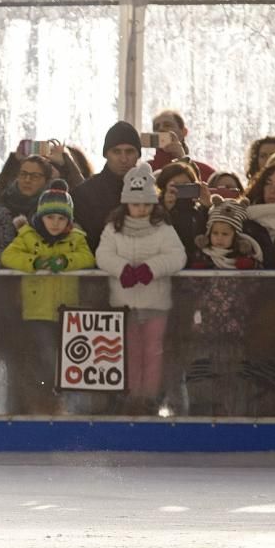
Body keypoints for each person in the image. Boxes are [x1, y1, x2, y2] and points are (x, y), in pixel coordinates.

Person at [95, 162, 187, 415]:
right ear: (126, 204)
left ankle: (149, 398)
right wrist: (122, 269)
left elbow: (177, 256)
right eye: (136, 204)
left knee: (153, 352)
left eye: (147, 204)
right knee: (130, 352)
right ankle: (132, 396)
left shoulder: (163, 229)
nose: (142, 210)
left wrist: (151, 269)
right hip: (123, 304)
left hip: (155, 303)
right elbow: (103, 255)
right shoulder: (113, 229)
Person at [0, 179, 95, 412]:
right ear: (41, 217)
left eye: (61, 218)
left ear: (68, 221)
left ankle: (60, 400)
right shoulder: (27, 237)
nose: (55, 223)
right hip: (37, 310)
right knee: (45, 356)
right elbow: (8, 257)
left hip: (66, 311)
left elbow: (88, 258)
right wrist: (34, 262)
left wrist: (65, 261)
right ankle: (44, 398)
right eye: (51, 217)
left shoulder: (77, 239)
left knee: (64, 357)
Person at [184, 197, 263, 416]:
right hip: (205, 327)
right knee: (205, 370)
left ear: (235, 237)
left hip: (233, 327)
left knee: (231, 370)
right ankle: (205, 408)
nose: (219, 239)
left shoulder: (243, 259)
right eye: (215, 233)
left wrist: (250, 268)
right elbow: (191, 288)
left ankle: (231, 410)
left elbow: (255, 287)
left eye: (225, 234)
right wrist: (197, 272)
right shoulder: (203, 257)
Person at [72, 121, 141, 252]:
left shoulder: (153, 192)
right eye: (117, 152)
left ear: (138, 154)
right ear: (106, 154)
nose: (124, 159)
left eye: (129, 151)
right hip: (97, 265)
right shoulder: (83, 193)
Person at [155, 160, 208, 262]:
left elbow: (212, 233)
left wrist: (207, 207)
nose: (180, 190)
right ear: (164, 187)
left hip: (197, 263)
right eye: (176, 186)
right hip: (166, 262)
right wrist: (165, 209)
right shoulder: (154, 209)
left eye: (185, 185)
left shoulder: (199, 210)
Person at [148, 110, 216, 181]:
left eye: (167, 125)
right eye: (156, 127)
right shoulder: (144, 170)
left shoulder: (206, 172)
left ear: (184, 132)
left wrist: (182, 157)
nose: (160, 129)